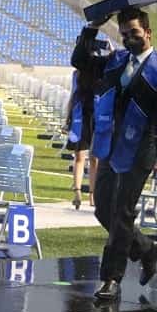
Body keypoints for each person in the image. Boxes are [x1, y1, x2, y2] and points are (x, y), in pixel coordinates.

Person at [77, 7, 157, 300]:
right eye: (124, 35)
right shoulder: (117, 61)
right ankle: (147, 248)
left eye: (134, 33)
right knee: (102, 209)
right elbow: (79, 61)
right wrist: (92, 28)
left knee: (121, 212)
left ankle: (111, 279)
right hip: (111, 145)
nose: (129, 39)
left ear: (148, 32)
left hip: (140, 150)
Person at [64, 63, 99, 210]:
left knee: (87, 158)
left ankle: (85, 193)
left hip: (88, 115)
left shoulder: (87, 73)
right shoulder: (81, 74)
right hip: (86, 115)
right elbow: (73, 94)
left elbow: (74, 95)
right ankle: (84, 194)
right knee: (86, 158)